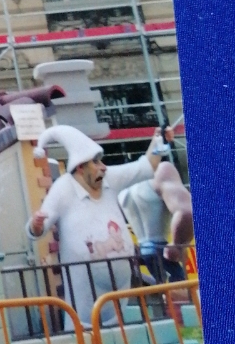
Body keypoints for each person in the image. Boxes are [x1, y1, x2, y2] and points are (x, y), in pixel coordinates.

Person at [27, 125, 169, 322]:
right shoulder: (63, 188)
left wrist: (159, 140)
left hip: (120, 284)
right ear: (80, 167)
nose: (103, 166)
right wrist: (36, 224)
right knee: (83, 327)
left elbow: (145, 167)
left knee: (121, 329)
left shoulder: (109, 178)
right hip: (84, 285)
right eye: (95, 162)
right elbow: (40, 228)